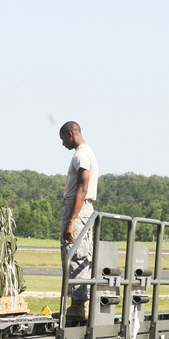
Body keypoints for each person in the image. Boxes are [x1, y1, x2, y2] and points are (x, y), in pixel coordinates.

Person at [59, 121, 99, 321]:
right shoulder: (85, 153)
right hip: (81, 208)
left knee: (76, 255)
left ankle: (77, 306)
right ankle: (78, 305)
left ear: (70, 134)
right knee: (77, 254)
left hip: (79, 208)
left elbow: (82, 189)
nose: (63, 144)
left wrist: (71, 220)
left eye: (63, 139)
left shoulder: (81, 155)